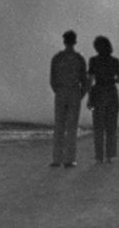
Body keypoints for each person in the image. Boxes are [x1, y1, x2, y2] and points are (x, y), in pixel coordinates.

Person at [48, 30, 88, 167]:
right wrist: (80, 95)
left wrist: (58, 91)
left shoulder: (57, 58)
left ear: (64, 41)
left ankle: (56, 159)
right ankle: (69, 159)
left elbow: (52, 80)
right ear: (75, 41)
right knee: (72, 127)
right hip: (74, 92)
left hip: (60, 92)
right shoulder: (79, 58)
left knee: (59, 126)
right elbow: (85, 81)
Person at [87, 34, 119, 163]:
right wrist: (110, 78)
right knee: (111, 127)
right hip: (112, 92)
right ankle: (109, 156)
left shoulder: (93, 60)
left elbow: (90, 80)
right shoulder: (115, 61)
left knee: (98, 127)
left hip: (98, 92)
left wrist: (89, 98)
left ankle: (99, 157)